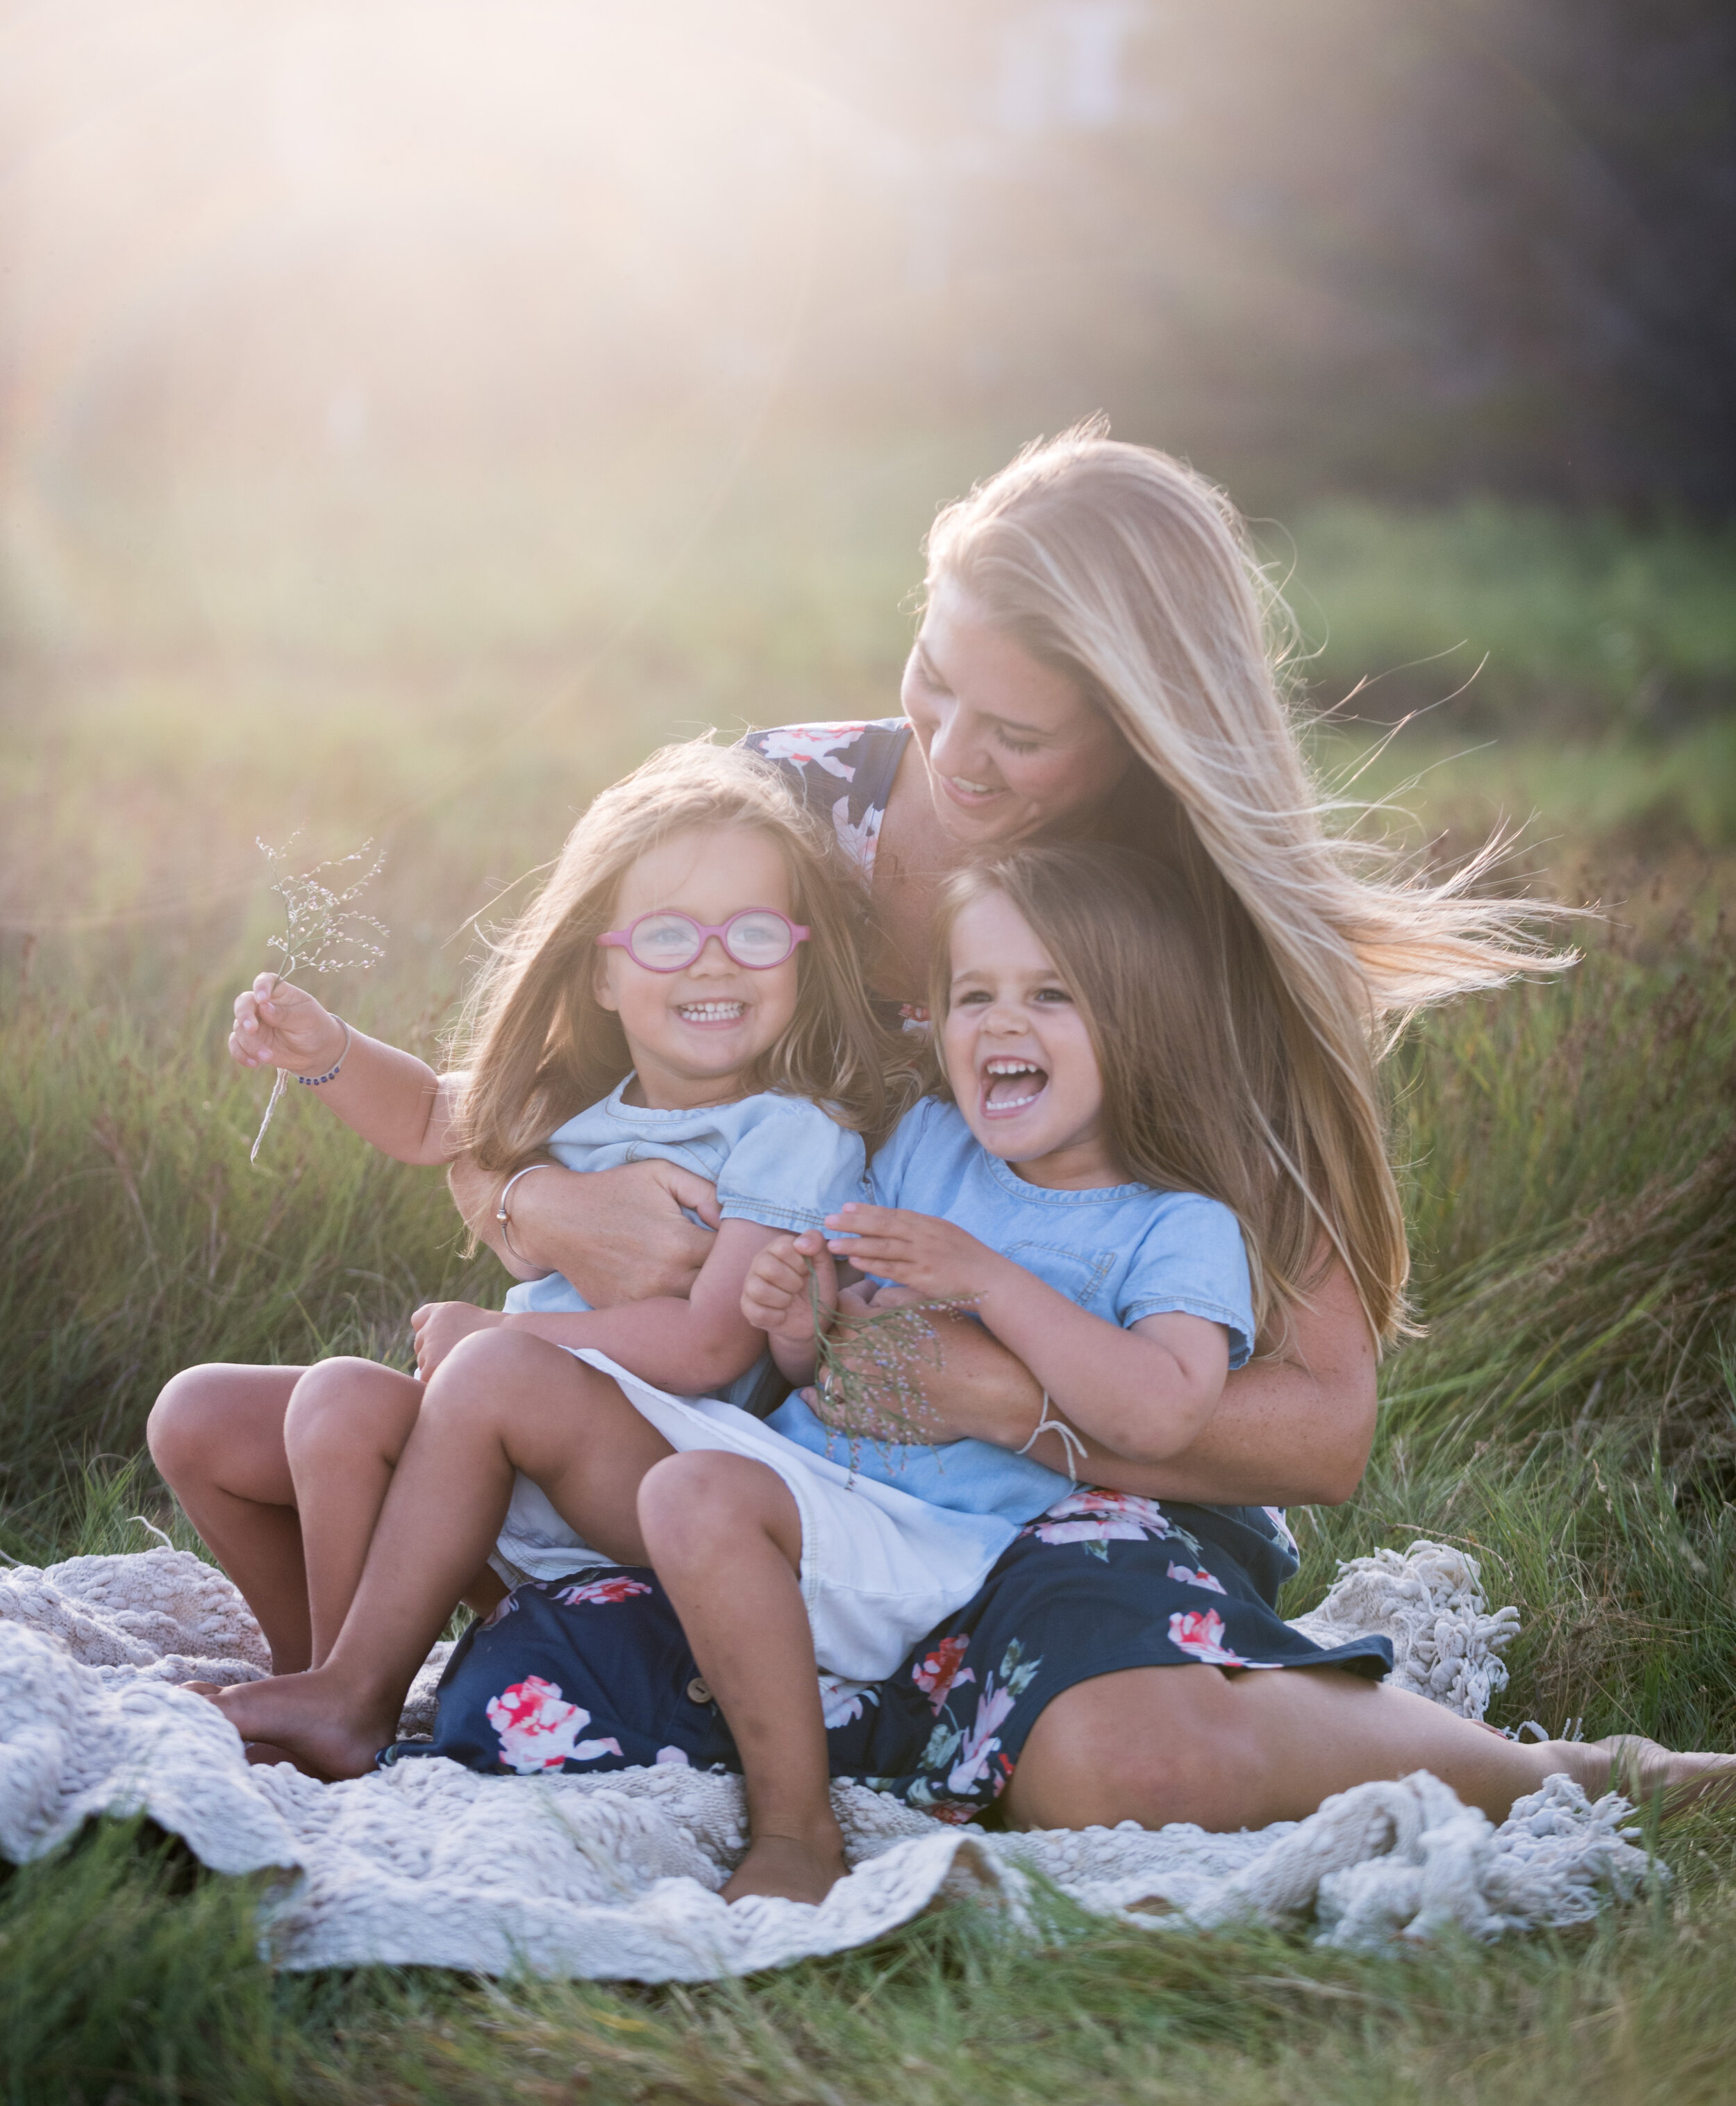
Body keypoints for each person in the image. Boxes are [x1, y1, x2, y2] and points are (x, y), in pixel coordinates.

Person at [152, 425, 1736, 1830]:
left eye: (1018, 732)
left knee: (1132, 1773)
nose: (948, 754)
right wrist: (540, 1216)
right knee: (351, 1505)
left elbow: (1319, 1429)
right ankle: (472, 1692)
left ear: (1133, 731)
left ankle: (1561, 1774)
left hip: (1050, 1478)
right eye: (932, 679)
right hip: (750, 1434)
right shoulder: (777, 808)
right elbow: (499, 1109)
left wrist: (1001, 1400)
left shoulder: (1188, 952)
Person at [152, 742, 910, 1677]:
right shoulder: (590, 1096)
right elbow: (432, 1112)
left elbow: (713, 1348)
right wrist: (323, 1050)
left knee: (370, 1396)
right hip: (492, 1452)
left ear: (798, 953)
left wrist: (495, 1346)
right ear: (601, 973)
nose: (714, 965)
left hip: (636, 1477)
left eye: (753, 933)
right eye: (669, 935)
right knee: (210, 1415)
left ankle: (354, 1695)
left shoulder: (792, 1129)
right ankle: (318, 1677)